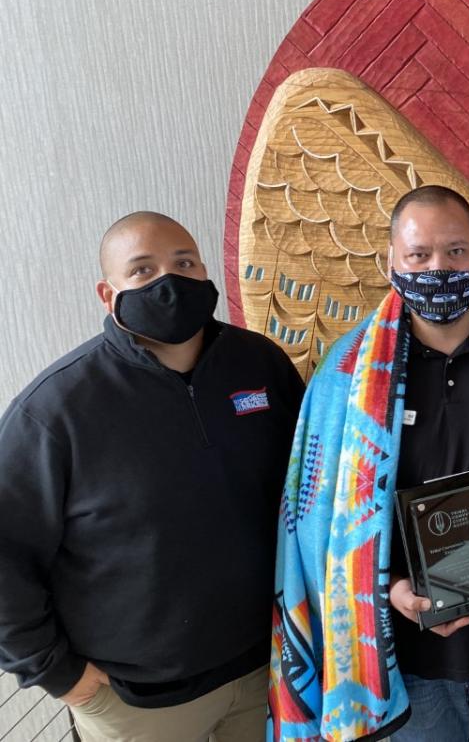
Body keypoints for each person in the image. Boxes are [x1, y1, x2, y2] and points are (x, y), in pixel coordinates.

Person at [269, 185, 469, 742]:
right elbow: (317, 529)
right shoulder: (345, 376)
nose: (438, 268)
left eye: (456, 251)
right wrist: (390, 587)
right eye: (419, 255)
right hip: (402, 655)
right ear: (391, 262)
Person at [0, 211, 305, 742]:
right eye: (142, 270)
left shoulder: (260, 366)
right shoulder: (55, 411)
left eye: (184, 263)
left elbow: (310, 488)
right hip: (135, 700)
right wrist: (57, 674)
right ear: (107, 293)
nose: (169, 281)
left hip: (268, 670)